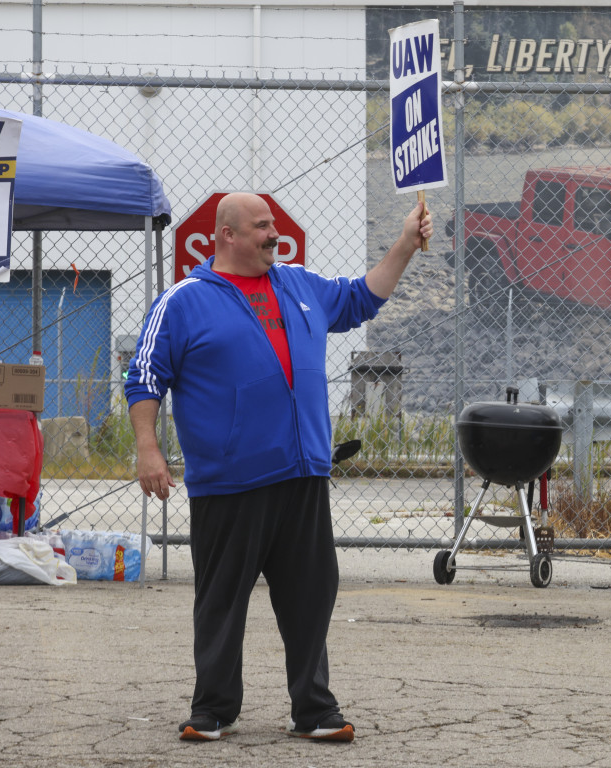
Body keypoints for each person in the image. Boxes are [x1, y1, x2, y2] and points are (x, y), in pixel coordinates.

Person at [125, 192, 432, 743]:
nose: (273, 235)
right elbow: (145, 378)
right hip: (230, 482)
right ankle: (213, 708)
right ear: (226, 236)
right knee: (221, 598)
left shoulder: (299, 285)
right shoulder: (183, 300)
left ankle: (313, 710)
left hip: (303, 474)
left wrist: (406, 244)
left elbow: (363, 297)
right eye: (261, 227)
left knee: (312, 593)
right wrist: (149, 450)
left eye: (273, 225)